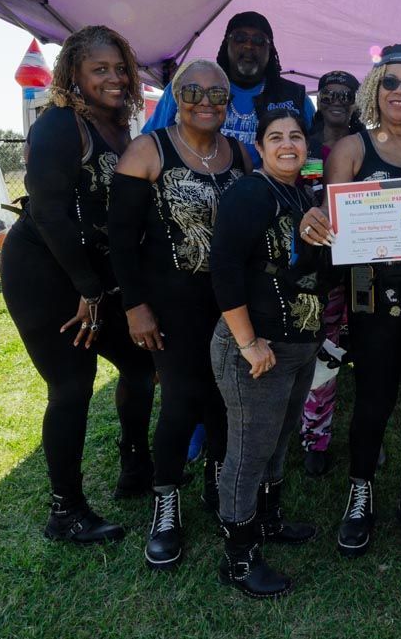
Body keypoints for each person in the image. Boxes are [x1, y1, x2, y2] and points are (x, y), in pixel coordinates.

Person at [0, 25, 156, 543]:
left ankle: (136, 466)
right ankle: (65, 511)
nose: (113, 78)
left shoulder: (117, 125)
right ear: (74, 74)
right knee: (71, 386)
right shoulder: (59, 126)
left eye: (119, 69)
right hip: (46, 273)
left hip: (94, 273)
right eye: (99, 69)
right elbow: (49, 216)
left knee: (140, 363)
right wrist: (89, 291)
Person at [300, 45, 401, 557]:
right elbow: (330, 218)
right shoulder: (349, 148)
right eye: (390, 82)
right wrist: (317, 221)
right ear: (375, 88)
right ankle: (359, 493)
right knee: (373, 398)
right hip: (368, 291)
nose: (400, 92)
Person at [108, 59, 250, 569]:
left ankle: (216, 483)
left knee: (222, 398)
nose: (206, 102)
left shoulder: (240, 154)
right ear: (175, 94)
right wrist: (135, 305)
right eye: (194, 91)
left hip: (228, 302)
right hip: (168, 303)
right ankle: (165, 503)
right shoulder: (149, 150)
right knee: (182, 400)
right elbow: (120, 239)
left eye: (218, 94)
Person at [210, 110, 331, 598]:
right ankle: (239, 559)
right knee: (248, 451)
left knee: (279, 439)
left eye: (296, 137)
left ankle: (268, 519)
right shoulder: (250, 192)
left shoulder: (301, 193)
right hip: (256, 348)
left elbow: (299, 266)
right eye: (276, 137)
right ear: (259, 147)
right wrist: (247, 342)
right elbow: (224, 269)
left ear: (307, 147)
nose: (287, 144)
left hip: (297, 345)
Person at [143, 11, 316, 165]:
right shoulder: (186, 87)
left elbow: (313, 153)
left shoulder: (296, 97)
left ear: (270, 49)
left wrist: (310, 189)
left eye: (258, 40)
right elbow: (151, 142)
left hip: (272, 194)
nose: (249, 46)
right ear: (227, 44)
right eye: (240, 38)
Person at [300, 70, 364, 477]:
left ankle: (317, 436)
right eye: (329, 93)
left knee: (333, 352)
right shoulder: (299, 142)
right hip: (306, 268)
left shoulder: (367, 144)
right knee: (304, 350)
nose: (337, 100)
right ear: (318, 97)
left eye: (346, 94)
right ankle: (307, 432)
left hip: (355, 267)